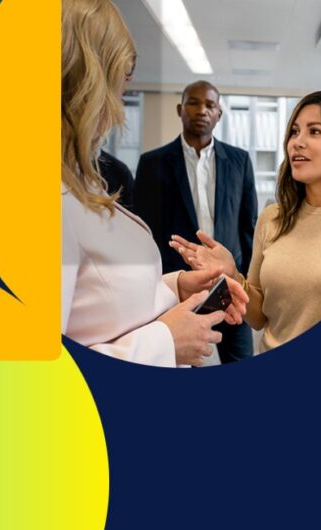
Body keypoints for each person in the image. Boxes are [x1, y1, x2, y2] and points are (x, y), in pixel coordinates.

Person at [61, 0, 248, 368]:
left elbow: (101, 298)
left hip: (209, 288)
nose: (121, 101)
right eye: (121, 81)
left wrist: (175, 286)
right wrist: (165, 341)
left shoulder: (80, 179)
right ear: (87, 82)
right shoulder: (149, 163)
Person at [172, 91, 321, 353]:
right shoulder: (273, 218)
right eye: (295, 132)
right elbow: (258, 317)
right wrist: (232, 275)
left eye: (314, 131)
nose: (297, 142)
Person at [132, 81, 258, 364]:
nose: (202, 110)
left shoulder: (239, 161)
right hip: (177, 289)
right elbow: (144, 234)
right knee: (184, 365)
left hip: (229, 287)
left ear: (219, 114)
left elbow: (247, 227)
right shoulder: (152, 163)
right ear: (180, 109)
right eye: (193, 103)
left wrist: (246, 280)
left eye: (210, 105)